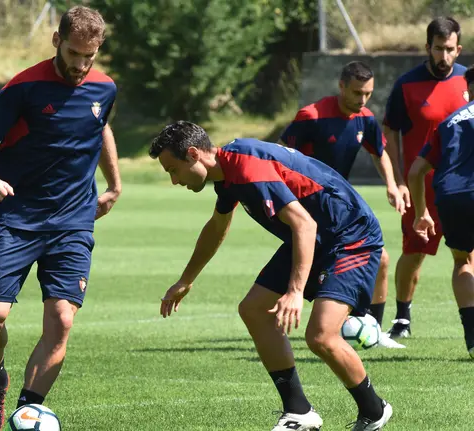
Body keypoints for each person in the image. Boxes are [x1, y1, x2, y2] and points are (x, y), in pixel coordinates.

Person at [151, 122, 392, 431]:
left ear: (194, 154)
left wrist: (294, 291)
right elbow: (217, 227)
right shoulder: (226, 172)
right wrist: (186, 279)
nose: (174, 181)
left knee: (321, 336)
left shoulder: (247, 168)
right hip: (314, 236)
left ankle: (374, 410)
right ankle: (299, 411)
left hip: (349, 235)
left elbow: (304, 224)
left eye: (173, 170)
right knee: (253, 309)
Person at [0, 6, 121, 430]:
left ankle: (26, 407)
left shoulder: (105, 88)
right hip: (19, 217)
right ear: (57, 40)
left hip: (73, 220)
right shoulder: (24, 87)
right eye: (74, 53)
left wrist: (114, 184)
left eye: (89, 56)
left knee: (62, 319)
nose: (80, 65)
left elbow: (102, 127)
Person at [279, 61, 405, 348]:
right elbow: (281, 156)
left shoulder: (365, 118)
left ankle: (372, 327)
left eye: (368, 94)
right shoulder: (311, 116)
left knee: (381, 259)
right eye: (357, 93)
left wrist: (392, 185)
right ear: (341, 86)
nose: (362, 100)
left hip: (341, 205)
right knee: (303, 264)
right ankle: (280, 318)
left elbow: (379, 152)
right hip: (309, 207)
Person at [383, 16, 469, 339]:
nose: (443, 57)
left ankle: (469, 326)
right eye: (437, 49)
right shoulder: (406, 85)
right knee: (414, 251)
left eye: (449, 49)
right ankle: (402, 317)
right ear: (427, 48)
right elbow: (389, 129)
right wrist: (400, 179)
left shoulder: (468, 83)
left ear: (458, 49)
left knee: (465, 255)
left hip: (461, 187)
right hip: (421, 188)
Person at [407, 65, 474, 359]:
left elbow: (416, 171)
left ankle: (473, 340)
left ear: (468, 90)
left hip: (450, 196)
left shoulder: (447, 123)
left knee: (463, 261)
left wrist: (422, 213)